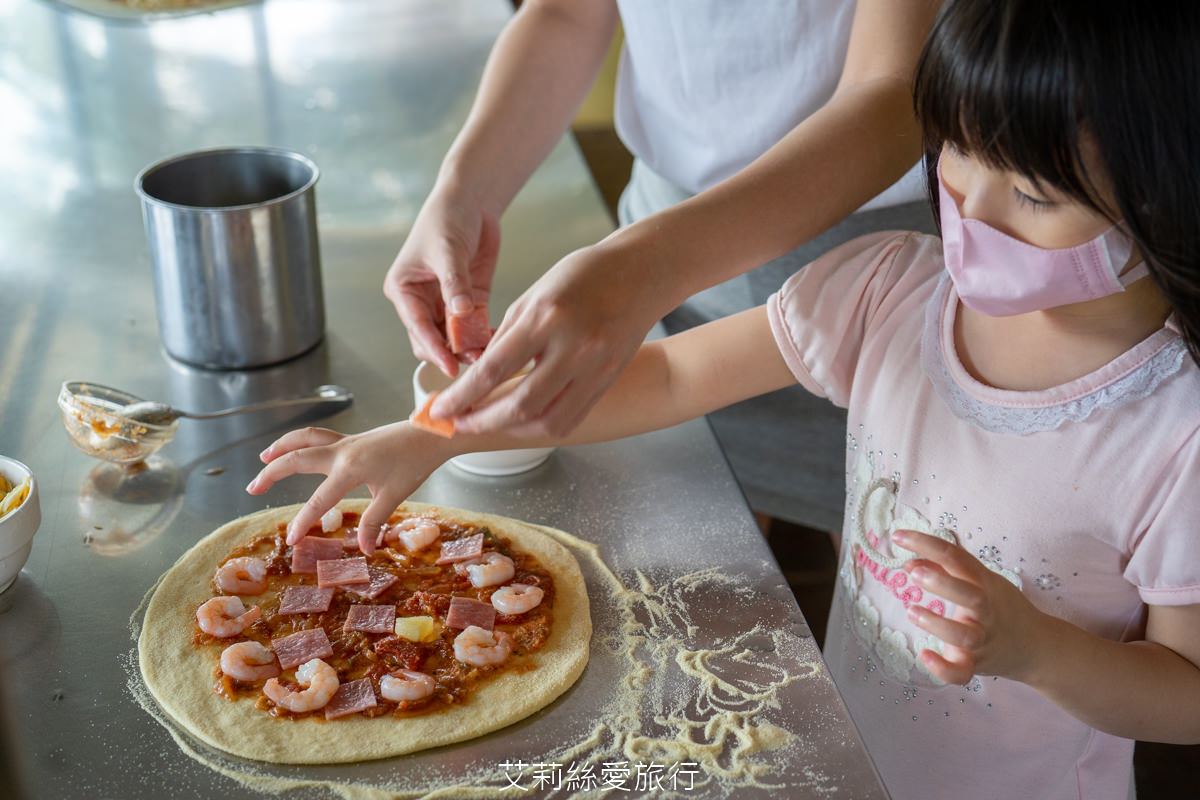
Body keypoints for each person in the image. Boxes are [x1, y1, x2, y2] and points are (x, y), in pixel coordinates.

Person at [248, 1, 1200, 797]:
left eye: (1032, 196)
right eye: (953, 155)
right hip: (853, 753)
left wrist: (1035, 651)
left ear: (1164, 197)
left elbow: (1188, 693)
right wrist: (434, 431)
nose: (970, 210)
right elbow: (669, 374)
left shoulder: (1178, 433)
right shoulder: (889, 288)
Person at [386, 0, 940, 532]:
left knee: (880, 584)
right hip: (657, 247)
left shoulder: (889, 280)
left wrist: (640, 270)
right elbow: (566, 11)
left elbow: (894, 91)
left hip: (871, 259)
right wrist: (464, 191)